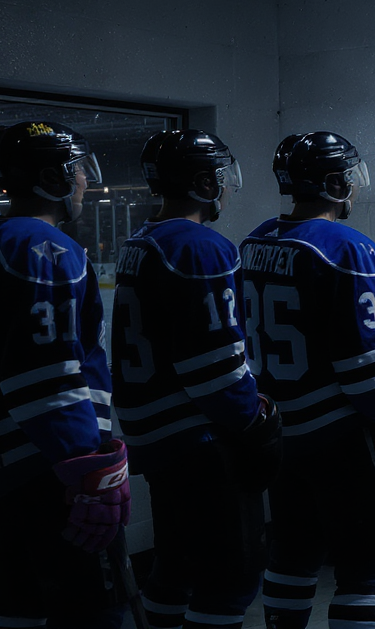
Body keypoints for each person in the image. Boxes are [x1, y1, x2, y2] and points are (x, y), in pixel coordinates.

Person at [242, 131, 375, 629]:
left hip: (280, 431)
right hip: (339, 435)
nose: (354, 186)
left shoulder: (255, 240)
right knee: (369, 566)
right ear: (332, 183)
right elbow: (365, 362)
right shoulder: (348, 246)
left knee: (293, 553)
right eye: (348, 176)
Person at [0, 121, 126, 628]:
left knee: (19, 601)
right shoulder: (45, 248)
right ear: (51, 177)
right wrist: (85, 467)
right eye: (76, 171)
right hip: (46, 461)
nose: (84, 181)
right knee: (91, 609)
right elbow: (46, 374)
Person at [112, 129, 280, 629]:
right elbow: (215, 364)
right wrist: (253, 422)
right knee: (231, 580)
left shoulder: (141, 241)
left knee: (176, 569)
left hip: (158, 438)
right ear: (205, 183)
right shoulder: (201, 245)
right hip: (198, 439)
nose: (227, 186)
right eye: (220, 176)